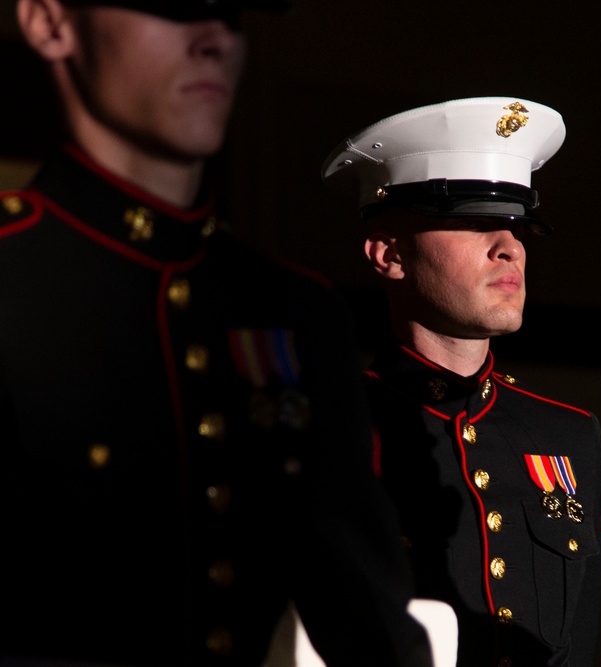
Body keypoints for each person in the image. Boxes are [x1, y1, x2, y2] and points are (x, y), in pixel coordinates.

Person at [0, 1, 432, 665]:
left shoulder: (296, 312)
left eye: (232, 13)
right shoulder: (16, 273)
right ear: (49, 21)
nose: (216, 41)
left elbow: (367, 622)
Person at [321, 97, 601, 667]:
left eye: (517, 226)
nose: (510, 248)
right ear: (388, 253)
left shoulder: (570, 439)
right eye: (474, 223)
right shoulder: (332, 428)